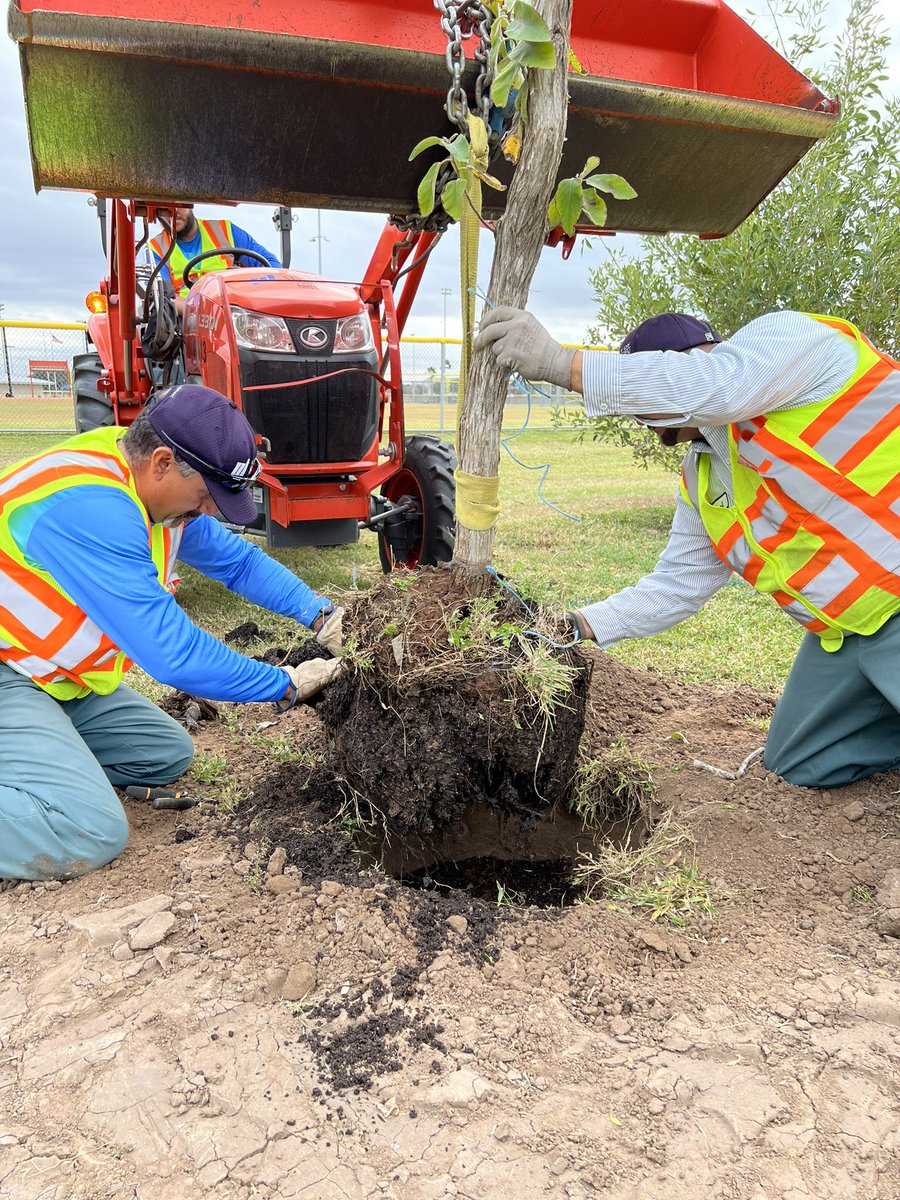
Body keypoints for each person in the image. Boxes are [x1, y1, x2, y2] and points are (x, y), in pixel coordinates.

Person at [475, 306, 900, 789]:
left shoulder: (791, 342)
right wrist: (574, 625)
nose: (640, 419)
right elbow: (678, 584)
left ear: (685, 365)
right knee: (800, 763)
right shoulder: (705, 473)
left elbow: (710, 387)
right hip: (848, 634)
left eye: (644, 391)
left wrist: (559, 364)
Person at [0, 384, 343, 882]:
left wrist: (321, 615)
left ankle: (40, 753)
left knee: (164, 753)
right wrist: (285, 683)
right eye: (206, 496)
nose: (207, 511)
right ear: (162, 463)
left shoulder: (146, 479)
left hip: (47, 676)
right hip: (9, 669)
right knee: (90, 828)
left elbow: (238, 563)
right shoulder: (91, 508)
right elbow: (172, 654)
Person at [149, 207, 281, 313]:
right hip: (189, 321)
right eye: (164, 208)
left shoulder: (226, 230)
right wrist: (205, 309)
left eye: (179, 204)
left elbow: (272, 266)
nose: (173, 212)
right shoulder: (156, 248)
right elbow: (165, 299)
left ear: (189, 202)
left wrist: (248, 287)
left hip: (236, 312)